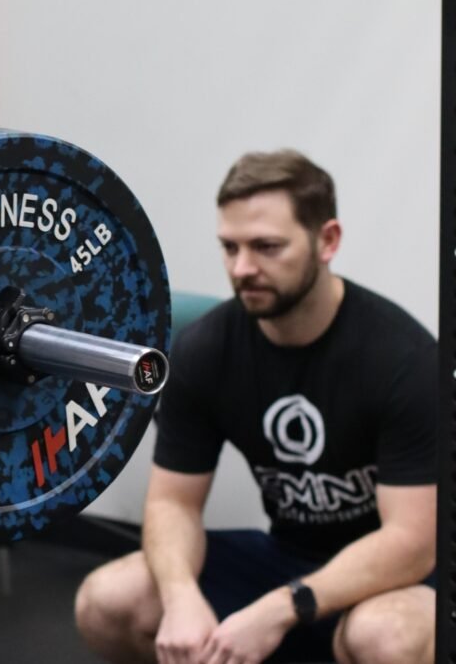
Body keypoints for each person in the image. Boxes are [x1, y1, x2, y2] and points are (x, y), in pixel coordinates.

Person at [74, 150, 437, 664]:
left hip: (394, 580)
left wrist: (280, 608)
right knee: (108, 600)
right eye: (231, 247)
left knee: (386, 636)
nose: (243, 269)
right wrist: (181, 601)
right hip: (285, 557)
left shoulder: (404, 360)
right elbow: (172, 503)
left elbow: (411, 543)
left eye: (267, 247)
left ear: (327, 241)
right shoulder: (206, 350)